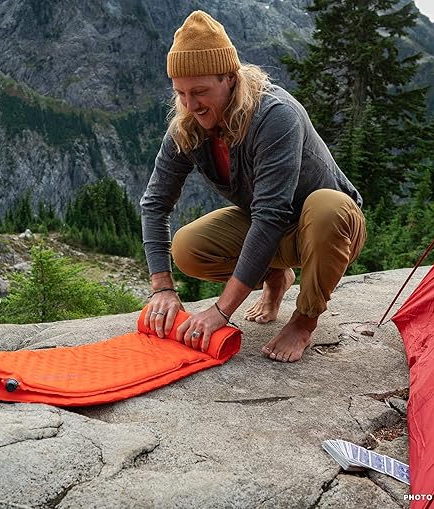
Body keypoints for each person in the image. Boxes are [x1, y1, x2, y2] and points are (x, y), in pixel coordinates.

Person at [140, 10, 366, 363]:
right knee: (188, 248)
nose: (191, 105)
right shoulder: (187, 126)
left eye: (200, 92)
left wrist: (221, 310)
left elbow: (271, 215)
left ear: (230, 78)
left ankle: (304, 321)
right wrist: (162, 288)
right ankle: (275, 277)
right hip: (271, 226)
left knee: (327, 207)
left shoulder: (274, 114)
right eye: (181, 93)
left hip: (330, 229)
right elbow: (155, 203)